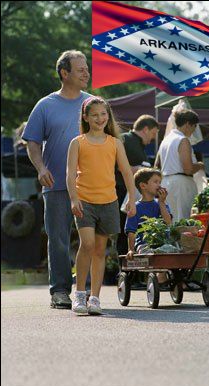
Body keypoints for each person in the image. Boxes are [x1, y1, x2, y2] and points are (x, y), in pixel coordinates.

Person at [22, 50, 91, 309]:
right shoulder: (45, 105)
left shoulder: (93, 104)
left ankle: (88, 291)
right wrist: (40, 168)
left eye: (87, 68)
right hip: (57, 186)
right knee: (59, 240)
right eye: (80, 69)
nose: (86, 72)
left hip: (90, 184)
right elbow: (32, 141)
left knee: (93, 239)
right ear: (65, 73)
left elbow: (109, 140)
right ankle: (60, 292)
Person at [66, 96, 136, 315]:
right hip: (84, 201)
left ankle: (95, 298)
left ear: (108, 116)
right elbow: (69, 174)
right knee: (86, 244)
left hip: (108, 202)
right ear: (86, 117)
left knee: (99, 250)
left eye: (103, 114)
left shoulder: (115, 143)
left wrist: (132, 199)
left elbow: (126, 172)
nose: (99, 118)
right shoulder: (77, 142)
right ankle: (79, 294)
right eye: (94, 115)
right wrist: (73, 198)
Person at [115, 115, 160, 255]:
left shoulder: (137, 144)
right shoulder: (125, 139)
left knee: (132, 232)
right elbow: (116, 164)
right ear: (145, 129)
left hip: (132, 195)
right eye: (153, 133)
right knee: (125, 232)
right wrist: (138, 169)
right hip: (122, 193)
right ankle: (124, 270)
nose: (152, 138)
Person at [156, 109, 204, 222]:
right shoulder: (183, 140)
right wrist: (200, 165)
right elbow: (188, 169)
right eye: (194, 127)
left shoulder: (165, 140)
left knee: (170, 221)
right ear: (188, 124)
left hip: (166, 182)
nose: (193, 131)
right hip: (181, 185)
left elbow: (157, 165)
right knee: (182, 220)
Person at [125, 168, 172, 256]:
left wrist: (161, 202)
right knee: (148, 252)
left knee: (174, 249)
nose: (159, 185)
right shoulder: (135, 208)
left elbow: (168, 222)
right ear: (143, 186)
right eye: (155, 182)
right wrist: (130, 250)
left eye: (160, 182)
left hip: (163, 244)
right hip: (144, 245)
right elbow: (131, 232)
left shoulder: (162, 204)